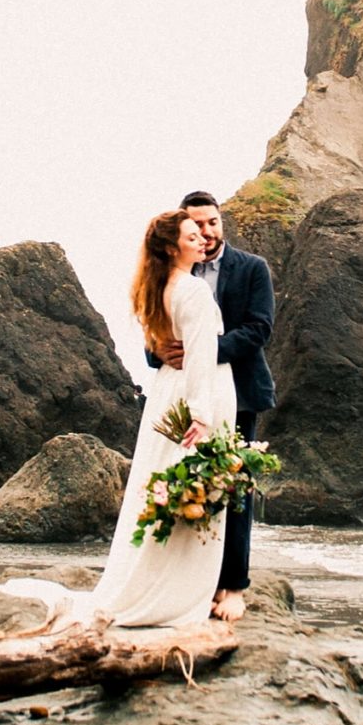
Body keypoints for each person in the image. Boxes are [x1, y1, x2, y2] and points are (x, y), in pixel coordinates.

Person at [90, 210, 236, 632]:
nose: (202, 240)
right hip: (195, 393)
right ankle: (175, 593)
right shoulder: (190, 289)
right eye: (193, 236)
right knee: (191, 486)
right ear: (173, 248)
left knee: (164, 484)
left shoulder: (160, 287)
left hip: (167, 392)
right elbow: (201, 356)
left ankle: (152, 578)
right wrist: (202, 415)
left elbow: (168, 348)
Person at [148, 190, 275, 620]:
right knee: (183, 486)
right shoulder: (172, 274)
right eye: (198, 225)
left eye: (213, 222)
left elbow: (259, 329)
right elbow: (157, 334)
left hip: (238, 395)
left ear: (222, 222)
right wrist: (159, 353)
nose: (207, 232)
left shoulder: (252, 268)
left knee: (233, 489)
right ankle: (188, 582)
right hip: (184, 397)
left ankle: (233, 585)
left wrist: (206, 348)